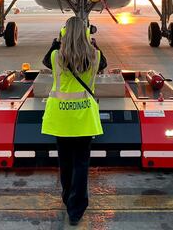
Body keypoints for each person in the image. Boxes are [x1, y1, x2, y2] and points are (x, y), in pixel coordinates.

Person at [41, 16, 107, 225]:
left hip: (61, 119)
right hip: (84, 120)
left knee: (65, 163)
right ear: (86, 34)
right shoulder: (95, 56)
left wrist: (58, 40)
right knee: (81, 164)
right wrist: (91, 42)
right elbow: (104, 63)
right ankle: (76, 209)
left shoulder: (55, 57)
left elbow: (45, 60)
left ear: (64, 33)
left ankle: (66, 196)